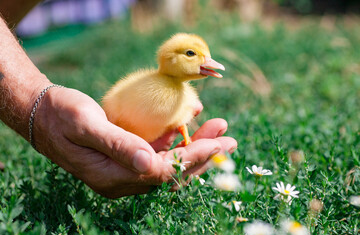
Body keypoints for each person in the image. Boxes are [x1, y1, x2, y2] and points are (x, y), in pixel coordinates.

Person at [0, 1, 237, 198]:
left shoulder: (180, 94)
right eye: (192, 55)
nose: (207, 63)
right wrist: (36, 105)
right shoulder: (151, 89)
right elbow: (117, 107)